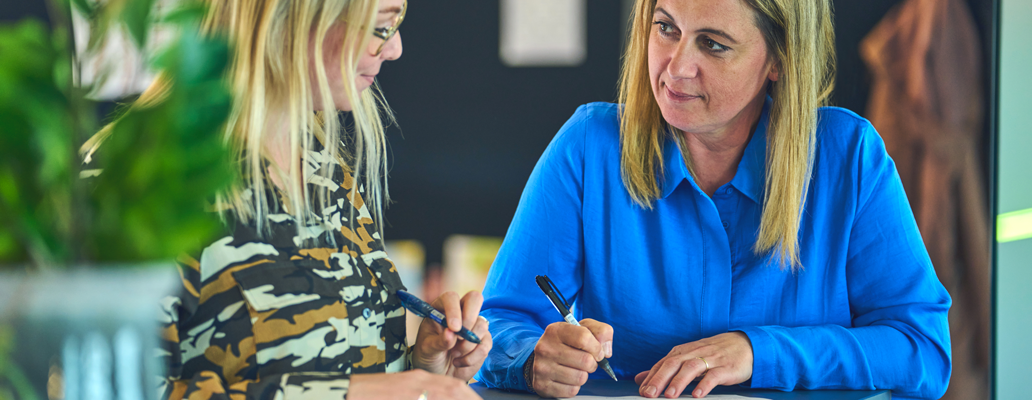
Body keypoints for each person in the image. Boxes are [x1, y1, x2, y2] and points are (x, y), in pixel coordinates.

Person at [474, 0, 951, 399]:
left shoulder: (847, 157)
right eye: (666, 28)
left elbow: (921, 348)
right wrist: (535, 358)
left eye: (714, 44)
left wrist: (756, 351)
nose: (676, 67)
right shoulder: (589, 147)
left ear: (778, 60)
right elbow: (499, 323)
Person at [84, 0, 492, 399]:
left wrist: (426, 370)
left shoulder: (326, 166)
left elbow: (349, 368)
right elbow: (94, 386)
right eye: (380, 26)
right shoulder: (133, 176)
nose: (395, 47)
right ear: (296, 17)